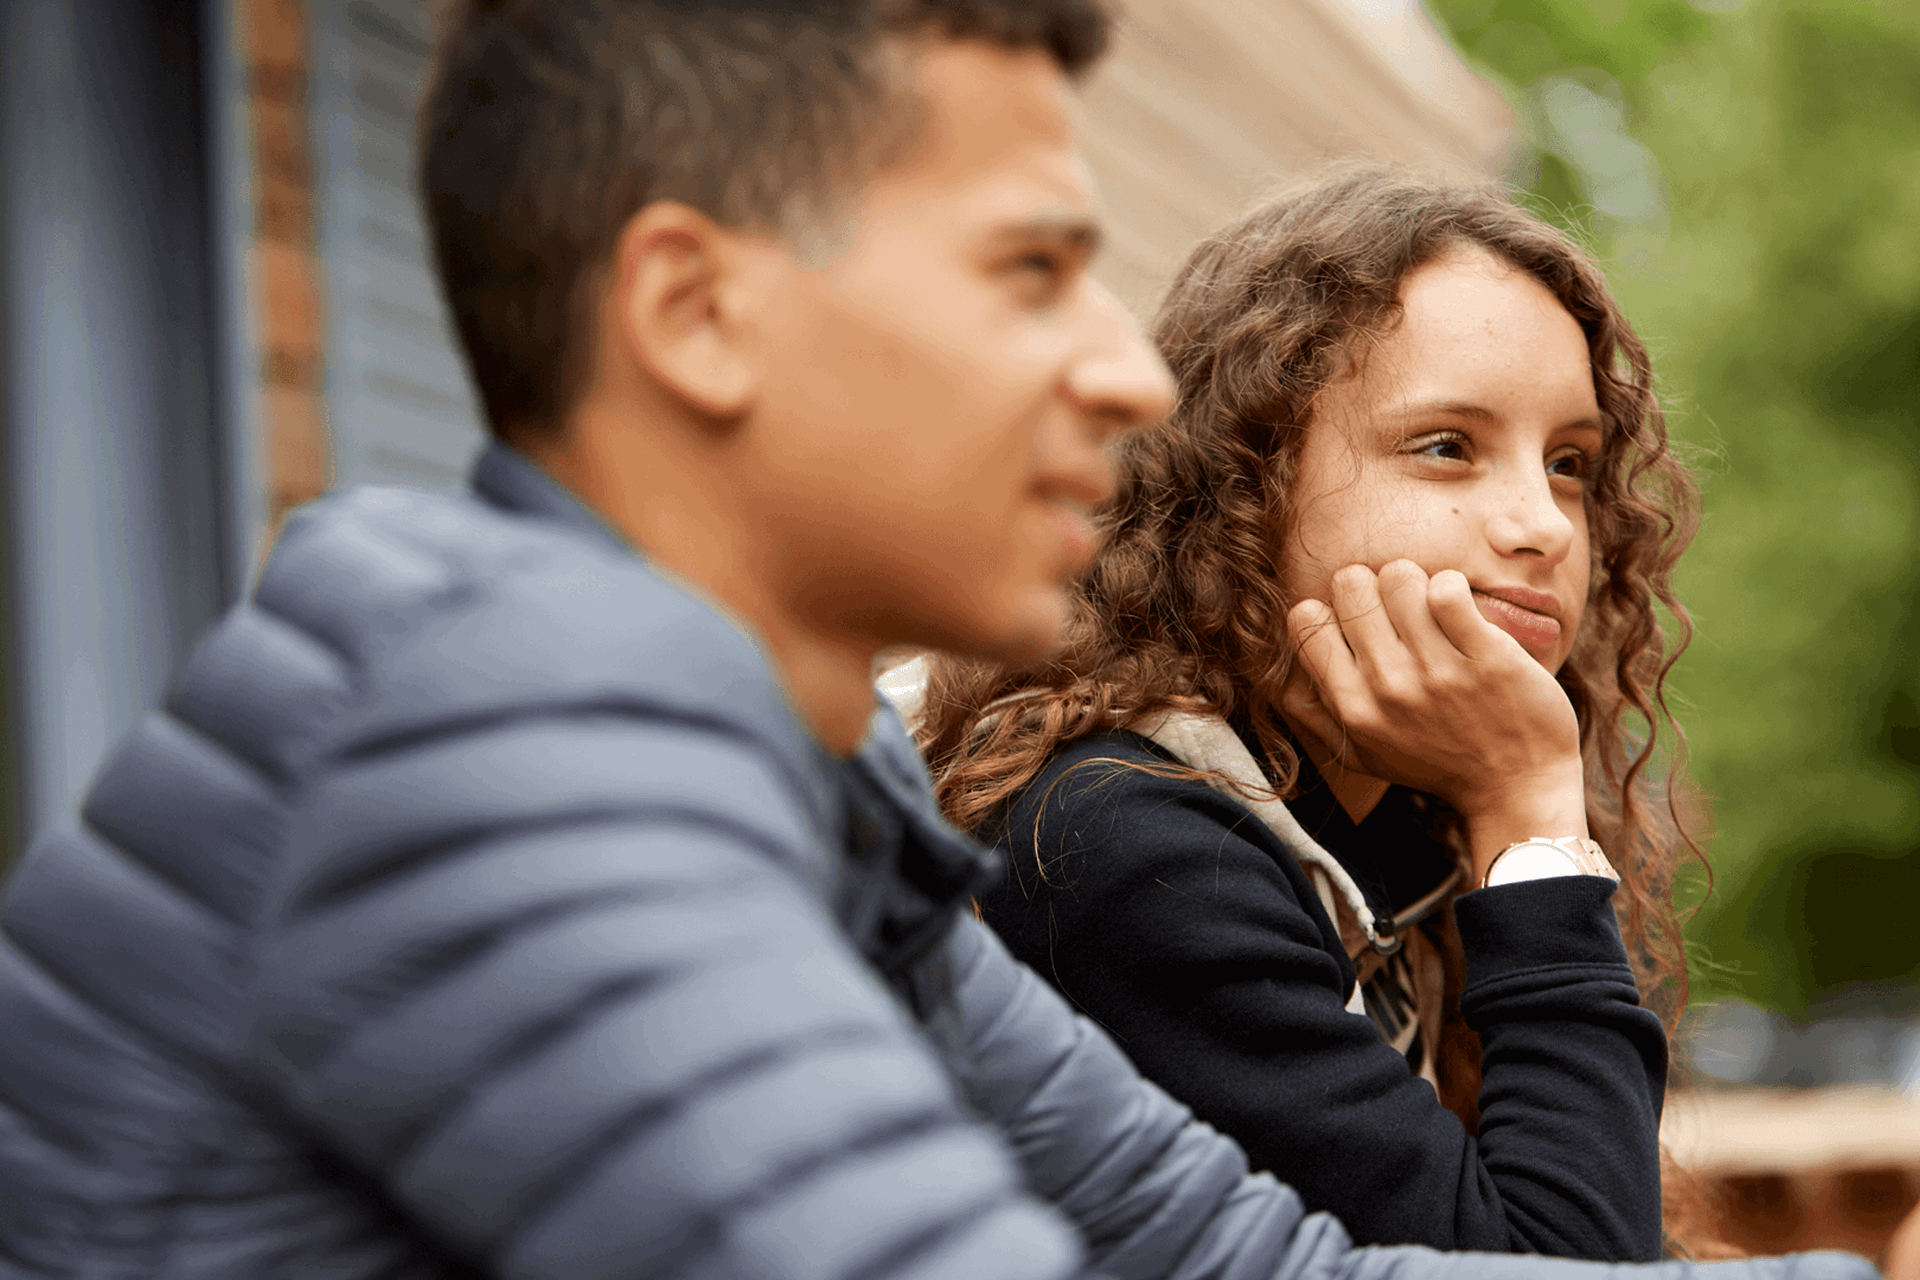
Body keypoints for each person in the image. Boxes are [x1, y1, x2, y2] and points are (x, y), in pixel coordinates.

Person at [0, 3, 1883, 1278]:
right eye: (1026, 269)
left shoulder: (800, 806)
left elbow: (1264, 1266)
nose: (1125, 371)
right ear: (700, 312)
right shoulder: (489, 772)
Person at [908, 169, 1715, 1258]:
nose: (1542, 525)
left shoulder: (1396, 830)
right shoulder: (1117, 836)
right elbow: (1550, 1263)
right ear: (1247, 476)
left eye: (1569, 463)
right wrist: (1532, 824)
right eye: (1447, 445)